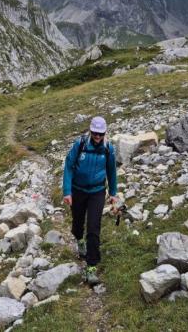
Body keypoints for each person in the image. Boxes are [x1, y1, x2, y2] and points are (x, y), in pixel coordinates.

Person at [63, 116, 118, 285]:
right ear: (90, 130)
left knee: (94, 228)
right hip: (78, 191)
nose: (97, 137)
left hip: (97, 192)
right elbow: (69, 166)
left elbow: (112, 172)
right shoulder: (80, 145)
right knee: (78, 224)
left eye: (101, 134)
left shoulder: (108, 149)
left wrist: (113, 193)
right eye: (95, 133)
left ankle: (91, 267)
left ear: (104, 133)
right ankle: (79, 240)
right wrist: (67, 191)